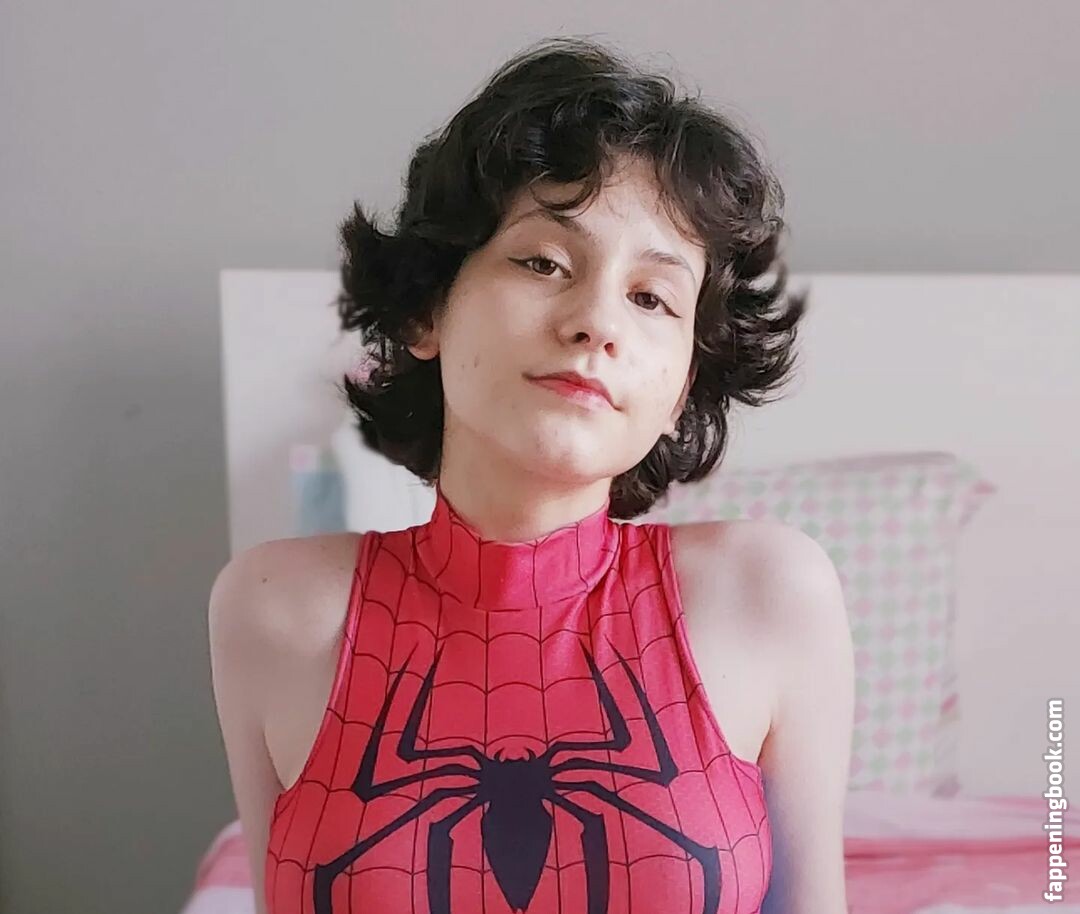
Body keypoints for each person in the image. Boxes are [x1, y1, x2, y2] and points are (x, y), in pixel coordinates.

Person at [209, 35, 854, 914]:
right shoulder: (273, 607)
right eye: (543, 262)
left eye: (652, 298)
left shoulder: (769, 593)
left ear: (681, 390)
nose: (597, 323)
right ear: (427, 310)